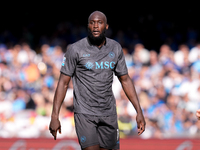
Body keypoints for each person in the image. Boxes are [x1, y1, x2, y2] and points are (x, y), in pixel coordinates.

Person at [49, 11, 146, 150]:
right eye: (92, 22)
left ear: (106, 26)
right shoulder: (75, 49)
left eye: (99, 23)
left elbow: (125, 80)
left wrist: (139, 111)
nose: (95, 26)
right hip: (85, 113)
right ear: (88, 26)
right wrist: (54, 116)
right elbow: (63, 83)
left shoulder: (115, 48)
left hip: (109, 112)